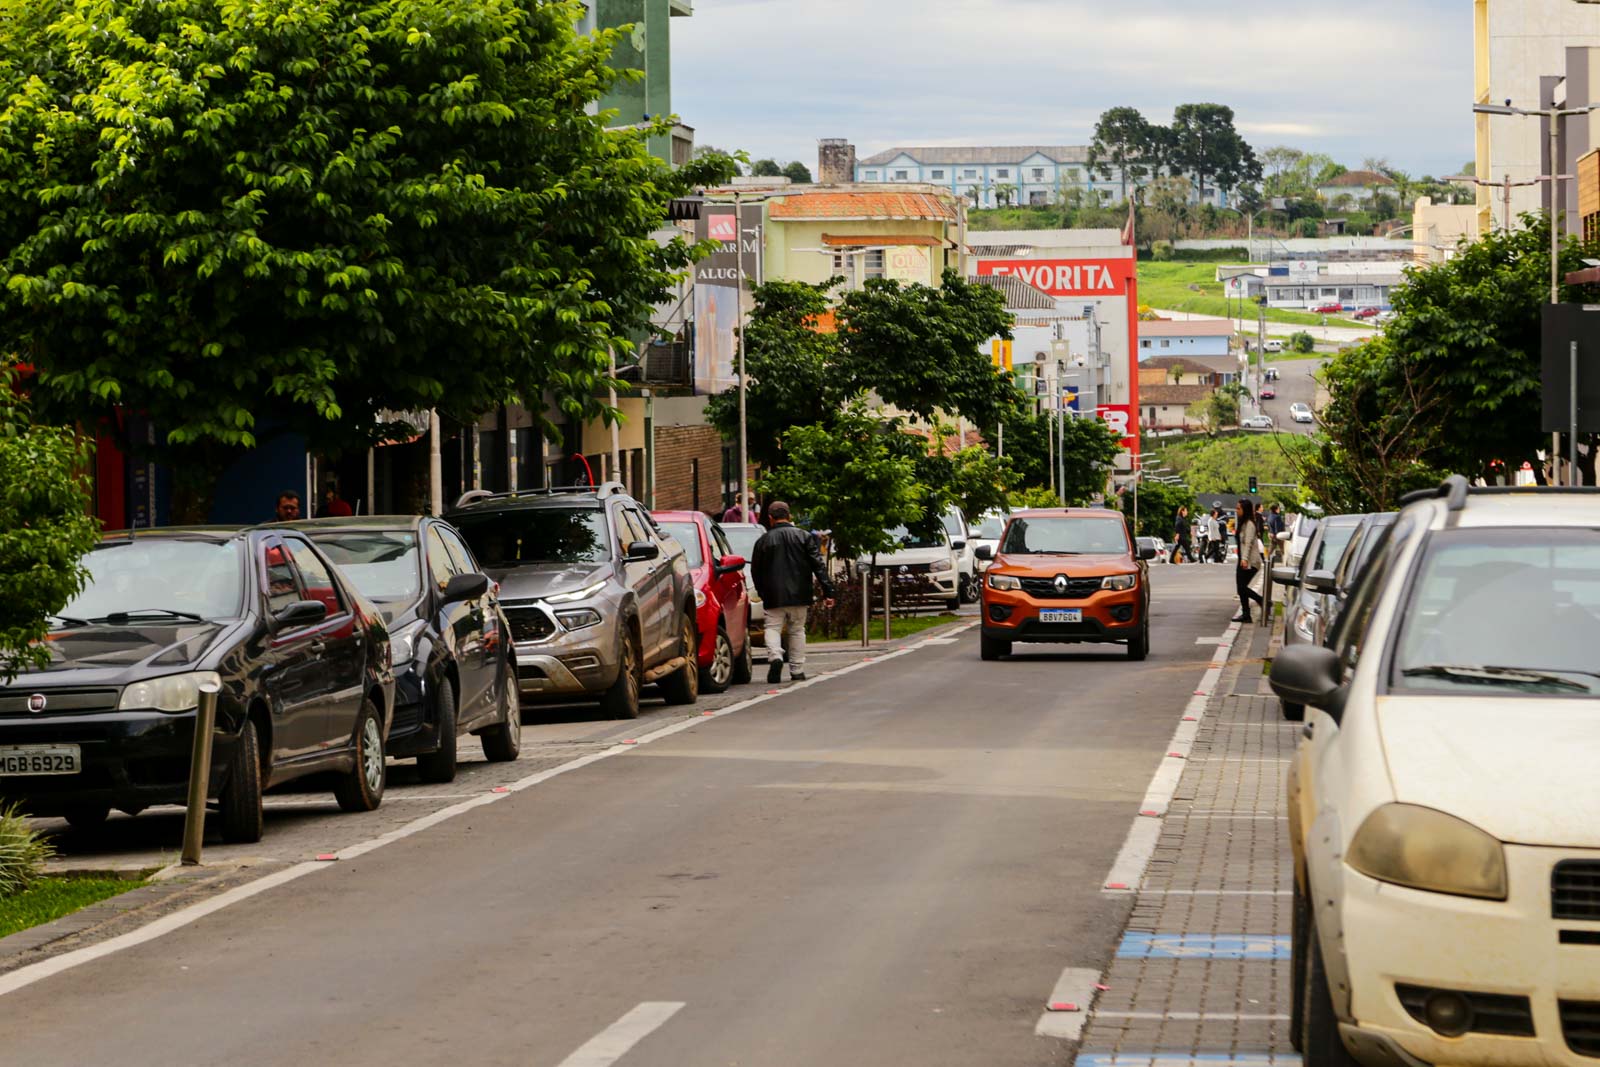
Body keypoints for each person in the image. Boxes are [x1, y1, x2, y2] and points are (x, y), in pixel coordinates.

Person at [751, 501, 836, 683]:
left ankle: (775, 656)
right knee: (797, 630)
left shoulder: (763, 541)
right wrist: (828, 591)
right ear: (789, 516)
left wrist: (761, 591)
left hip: (773, 594)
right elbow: (818, 565)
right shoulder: (804, 537)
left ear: (770, 518)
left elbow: (756, 570)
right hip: (800, 592)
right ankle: (797, 669)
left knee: (772, 627)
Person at [1234, 500, 1266, 623]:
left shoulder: (1250, 525)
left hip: (1250, 561)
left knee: (1242, 587)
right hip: (1242, 560)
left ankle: (1261, 601)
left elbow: (1248, 543)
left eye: (1239, 508)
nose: (1237, 511)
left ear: (1245, 510)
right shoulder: (1242, 523)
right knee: (1240, 588)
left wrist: (1244, 559)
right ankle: (1246, 614)